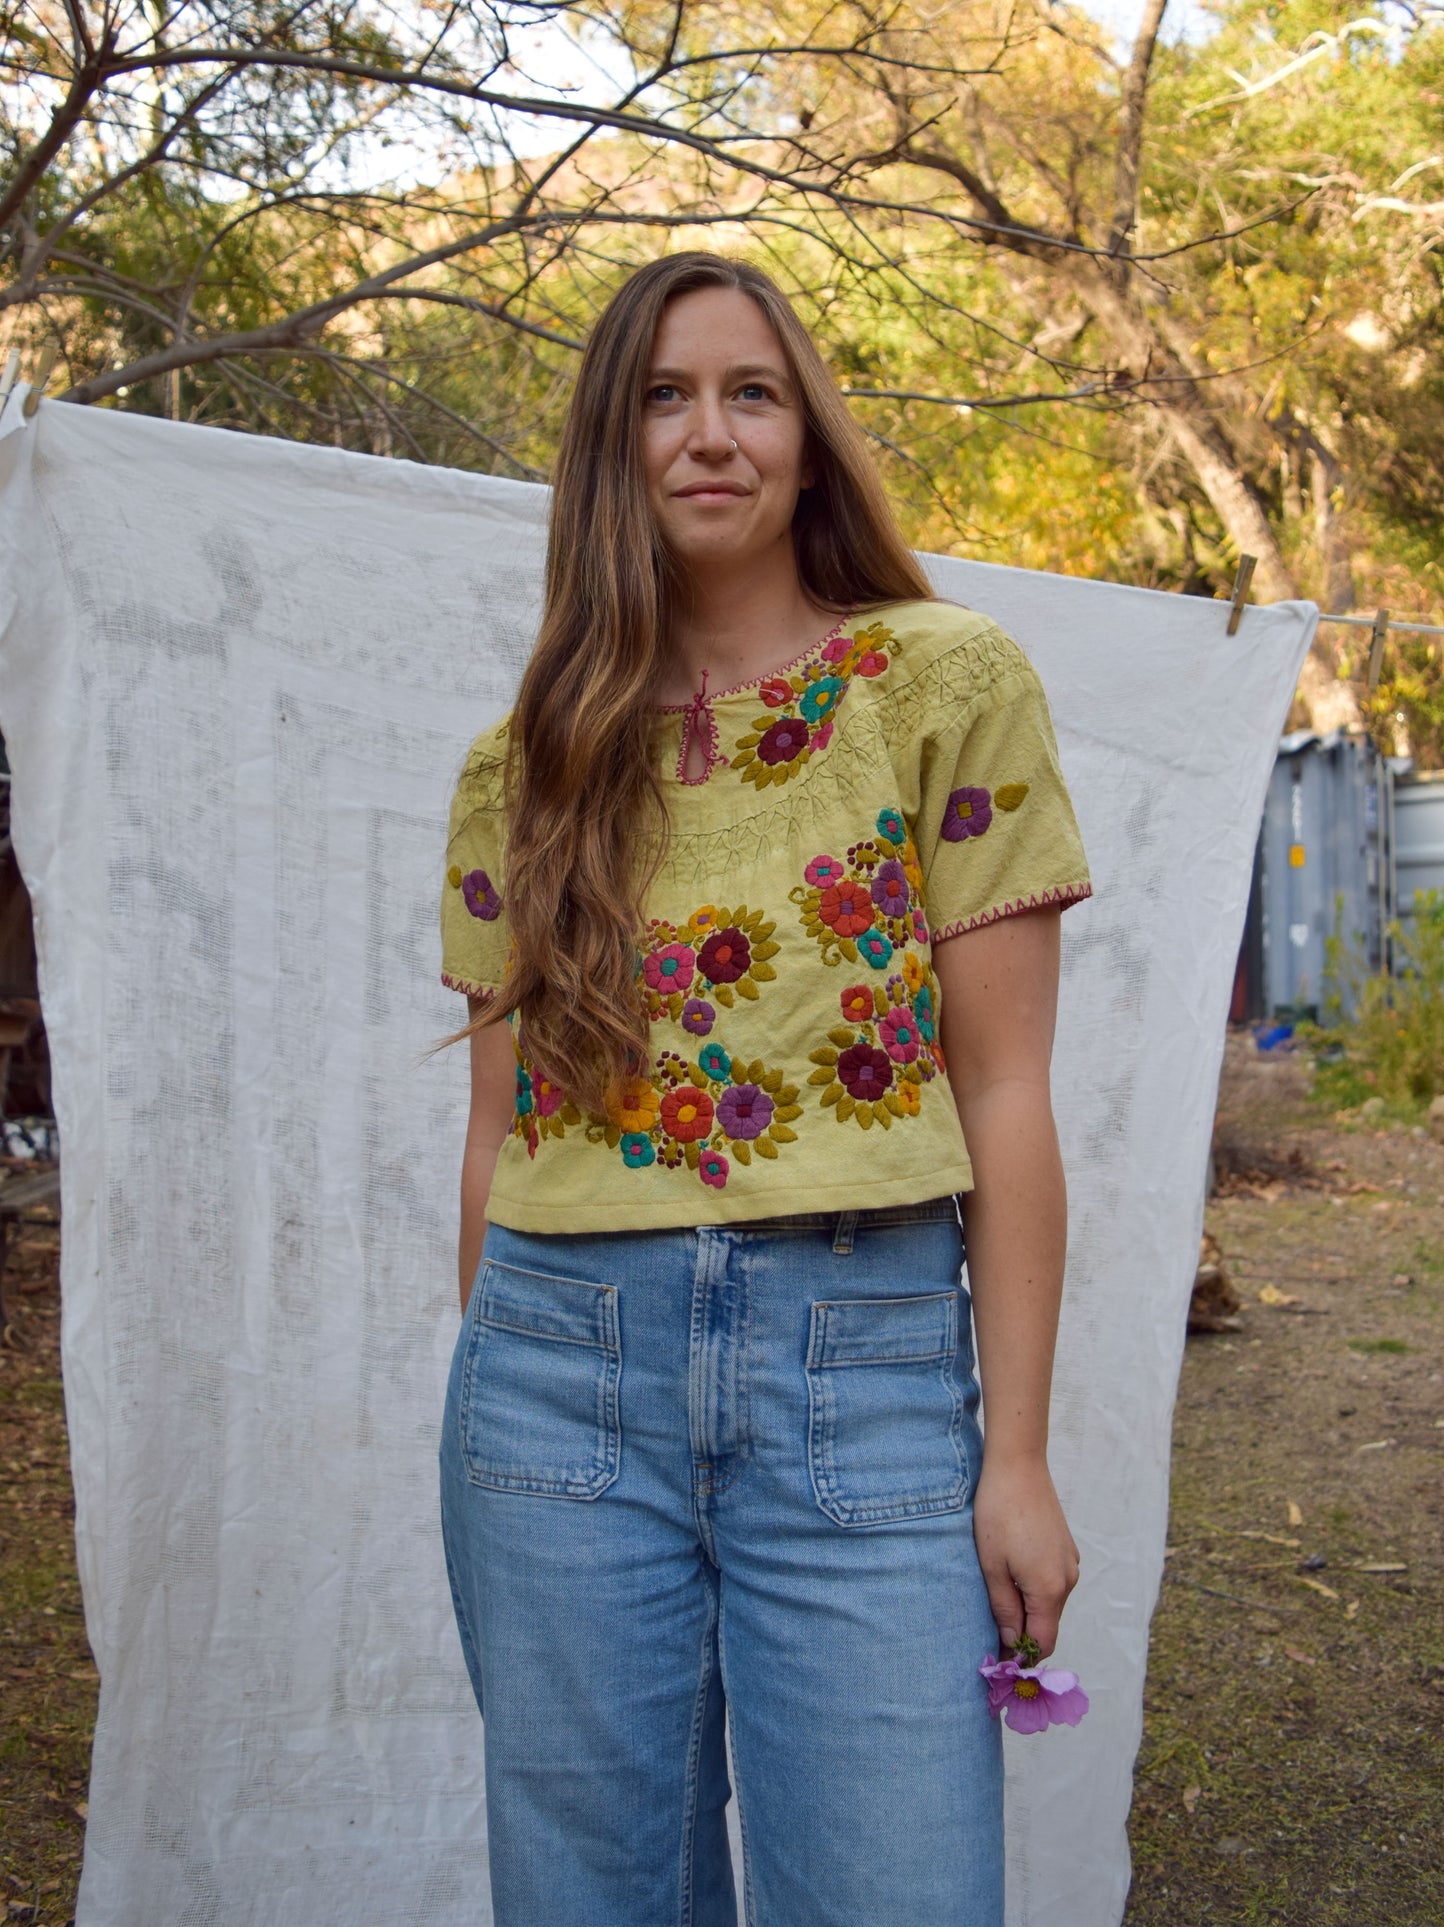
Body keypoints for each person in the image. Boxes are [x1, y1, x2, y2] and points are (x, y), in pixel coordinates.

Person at [437, 251, 1091, 1927]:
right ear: (608, 448)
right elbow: (497, 1132)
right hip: (555, 1380)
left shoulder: (941, 684)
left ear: (806, 437)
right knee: (593, 1901)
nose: (708, 434)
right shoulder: (527, 763)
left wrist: (1010, 1455)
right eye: (662, 397)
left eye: (751, 392)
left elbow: (1007, 1096)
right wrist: (486, 1374)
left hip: (859, 1373)